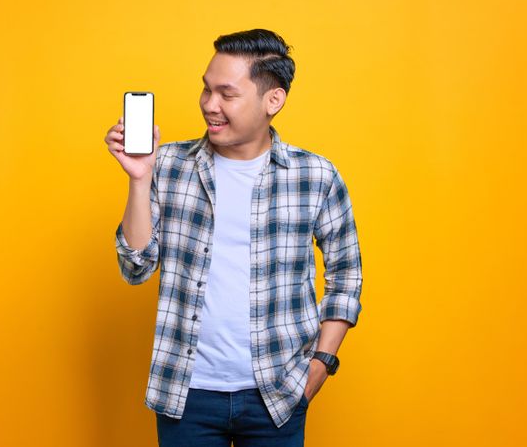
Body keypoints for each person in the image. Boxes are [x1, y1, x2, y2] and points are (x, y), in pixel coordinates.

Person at [105, 28, 363, 447]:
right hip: (185, 394)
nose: (210, 105)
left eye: (227, 94)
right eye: (206, 90)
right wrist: (139, 179)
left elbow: (346, 276)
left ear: (272, 100)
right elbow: (135, 268)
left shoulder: (314, 176)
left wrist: (321, 364)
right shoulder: (167, 165)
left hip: (277, 394)